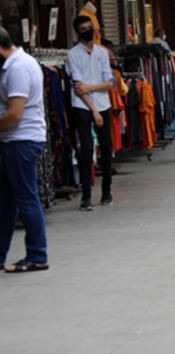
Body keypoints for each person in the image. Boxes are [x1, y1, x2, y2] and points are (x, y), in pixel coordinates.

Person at [0, 28, 49, 273]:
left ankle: (37, 255)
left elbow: (15, 114)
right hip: (16, 140)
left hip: (21, 139)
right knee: (8, 200)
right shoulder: (20, 62)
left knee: (25, 198)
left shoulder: (17, 68)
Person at [67, 15, 115, 211]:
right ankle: (86, 195)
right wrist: (94, 109)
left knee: (106, 146)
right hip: (82, 106)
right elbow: (78, 88)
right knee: (86, 149)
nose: (88, 31)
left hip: (104, 104)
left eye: (90, 27)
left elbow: (110, 83)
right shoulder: (72, 55)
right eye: (84, 28)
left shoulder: (102, 53)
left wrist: (91, 87)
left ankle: (107, 191)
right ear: (78, 32)